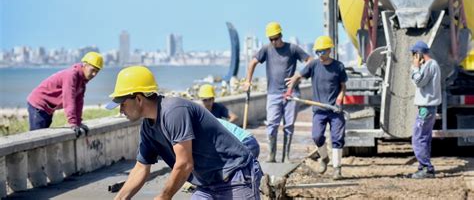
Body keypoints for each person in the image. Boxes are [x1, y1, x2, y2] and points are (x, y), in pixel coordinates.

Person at [106, 66, 262, 199]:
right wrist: (120, 198)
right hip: (207, 185)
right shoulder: (148, 128)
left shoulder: (174, 111)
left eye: (122, 103)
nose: (120, 110)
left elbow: (185, 164)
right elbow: (141, 168)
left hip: (236, 176)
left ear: (139, 99)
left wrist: (164, 196)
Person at [243, 22, 311, 163]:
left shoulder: (292, 48)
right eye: (271, 39)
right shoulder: (266, 49)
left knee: (289, 125)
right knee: (272, 124)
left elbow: (310, 61)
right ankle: (271, 155)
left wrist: (298, 75)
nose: (274, 41)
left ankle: (286, 156)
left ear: (281, 35)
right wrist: (248, 81)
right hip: (273, 94)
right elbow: (252, 63)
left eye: (275, 38)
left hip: (291, 94)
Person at [286, 36, 347, 180]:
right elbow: (298, 76)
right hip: (319, 110)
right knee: (317, 136)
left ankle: (337, 169)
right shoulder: (313, 65)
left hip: (334, 110)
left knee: (337, 138)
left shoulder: (339, 66)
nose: (320, 55)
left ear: (329, 50)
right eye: (317, 52)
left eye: (322, 52)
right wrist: (289, 90)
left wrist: (339, 101)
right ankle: (324, 158)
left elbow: (343, 87)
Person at [27, 51, 103, 136]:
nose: (94, 74)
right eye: (92, 70)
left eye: (97, 71)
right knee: (37, 137)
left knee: (43, 136)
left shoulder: (82, 81)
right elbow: (69, 99)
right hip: (38, 104)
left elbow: (78, 102)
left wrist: (78, 122)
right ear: (85, 65)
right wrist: (73, 123)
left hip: (48, 108)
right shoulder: (71, 75)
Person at [409, 41, 442, 179]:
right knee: (425, 138)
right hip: (428, 107)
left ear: (419, 54)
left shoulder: (430, 65)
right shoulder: (431, 65)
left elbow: (419, 82)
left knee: (418, 137)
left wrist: (415, 68)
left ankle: (427, 168)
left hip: (426, 108)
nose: (413, 59)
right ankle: (423, 166)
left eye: (414, 55)